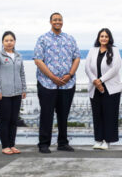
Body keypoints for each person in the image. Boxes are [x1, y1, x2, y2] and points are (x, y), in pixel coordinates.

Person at [32, 12, 81, 153]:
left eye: (60, 20)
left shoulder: (70, 39)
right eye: (55, 20)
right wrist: (52, 77)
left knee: (63, 115)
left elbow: (77, 57)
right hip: (47, 83)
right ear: (50, 22)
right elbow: (38, 60)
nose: (57, 22)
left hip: (67, 84)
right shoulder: (43, 39)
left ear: (62, 22)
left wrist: (70, 74)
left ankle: (62, 143)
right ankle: (44, 144)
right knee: (46, 114)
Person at [85, 28, 122, 150]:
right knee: (97, 114)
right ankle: (98, 139)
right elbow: (87, 68)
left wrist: (101, 80)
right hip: (94, 87)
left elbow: (115, 68)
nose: (104, 38)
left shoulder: (115, 50)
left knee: (109, 115)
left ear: (109, 38)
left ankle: (107, 140)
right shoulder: (92, 50)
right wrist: (95, 81)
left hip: (111, 88)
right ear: (98, 38)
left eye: (106, 36)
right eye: (102, 36)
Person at [0, 31, 26, 155]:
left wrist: (24, 89)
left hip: (16, 93)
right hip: (3, 94)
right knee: (4, 120)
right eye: (6, 40)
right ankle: (5, 145)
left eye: (11, 40)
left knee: (13, 120)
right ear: (2, 42)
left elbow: (22, 73)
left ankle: (12, 144)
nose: (9, 42)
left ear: (14, 41)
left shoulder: (18, 56)